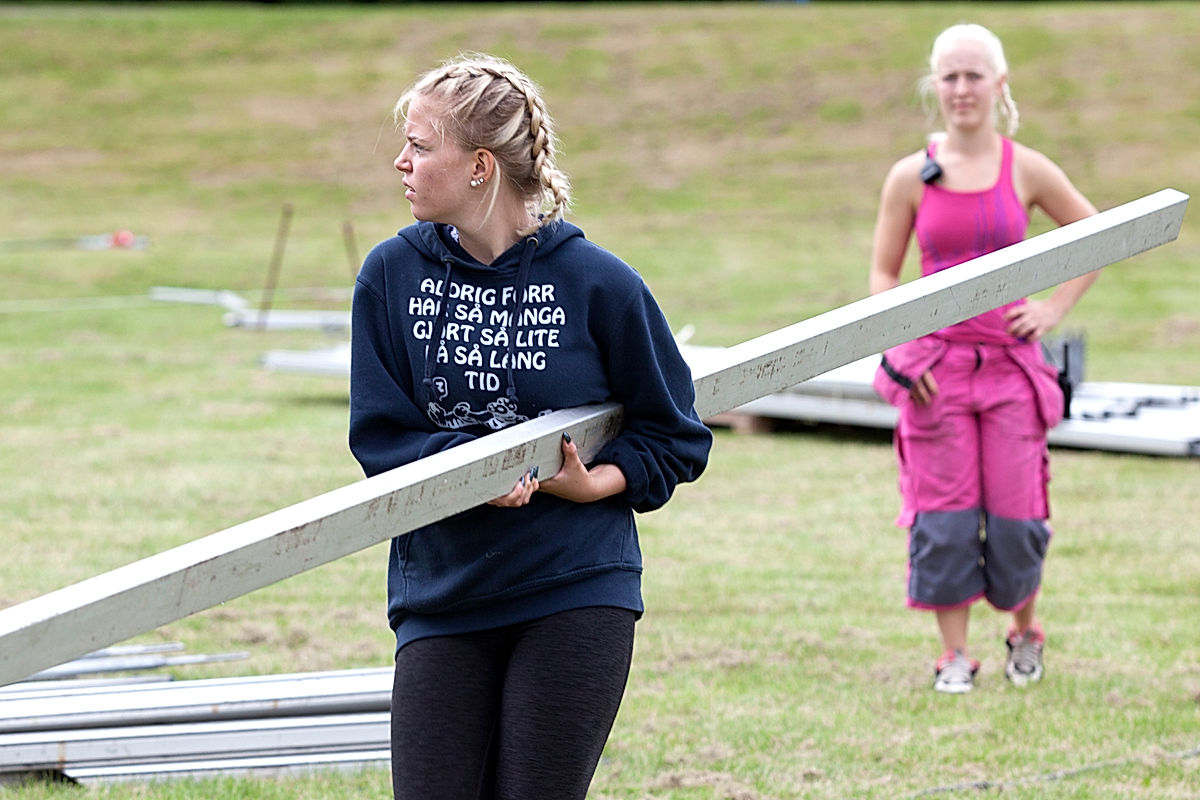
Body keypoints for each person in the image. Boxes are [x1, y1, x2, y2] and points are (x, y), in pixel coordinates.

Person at [348, 53, 712, 798]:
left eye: (420, 145)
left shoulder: (599, 283)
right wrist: (476, 472)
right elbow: (380, 440)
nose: (401, 162)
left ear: (480, 165)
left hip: (573, 589)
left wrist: (590, 485)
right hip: (441, 592)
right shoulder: (390, 276)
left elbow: (672, 434)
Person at [868, 24, 1099, 694]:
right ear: (934, 86)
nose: (961, 89)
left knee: (1018, 513)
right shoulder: (909, 176)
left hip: (1009, 373)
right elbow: (884, 275)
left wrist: (1053, 310)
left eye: (974, 76)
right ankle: (954, 656)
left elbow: (1096, 235)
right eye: (949, 76)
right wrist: (908, 354)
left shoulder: (1026, 167)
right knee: (941, 517)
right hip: (936, 376)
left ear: (1000, 85)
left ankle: (1025, 634)